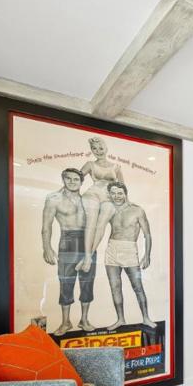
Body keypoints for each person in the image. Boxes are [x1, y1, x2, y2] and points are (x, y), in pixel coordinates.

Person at [79, 181, 152, 329]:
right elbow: (99, 230)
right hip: (112, 249)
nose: (116, 196)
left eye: (119, 193)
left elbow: (147, 234)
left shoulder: (137, 210)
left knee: (137, 286)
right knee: (115, 287)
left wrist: (147, 255)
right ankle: (120, 319)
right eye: (113, 193)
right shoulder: (109, 209)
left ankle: (146, 318)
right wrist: (89, 254)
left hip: (129, 250)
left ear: (125, 193)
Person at [41, 168, 96, 335]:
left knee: (87, 282)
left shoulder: (87, 200)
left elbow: (95, 226)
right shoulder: (54, 199)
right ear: (63, 180)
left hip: (88, 241)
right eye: (68, 178)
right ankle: (65, 322)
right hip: (68, 240)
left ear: (81, 182)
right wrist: (46, 247)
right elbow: (46, 225)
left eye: (76, 179)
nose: (72, 182)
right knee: (66, 282)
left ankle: (84, 319)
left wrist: (90, 251)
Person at [80, 136, 124, 252]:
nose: (98, 151)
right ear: (91, 150)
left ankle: (89, 254)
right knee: (91, 221)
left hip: (109, 197)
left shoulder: (116, 167)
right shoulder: (90, 164)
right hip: (93, 194)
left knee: (101, 223)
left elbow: (122, 188)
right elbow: (76, 178)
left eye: (101, 148)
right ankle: (87, 256)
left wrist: (126, 205)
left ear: (106, 149)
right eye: (94, 148)